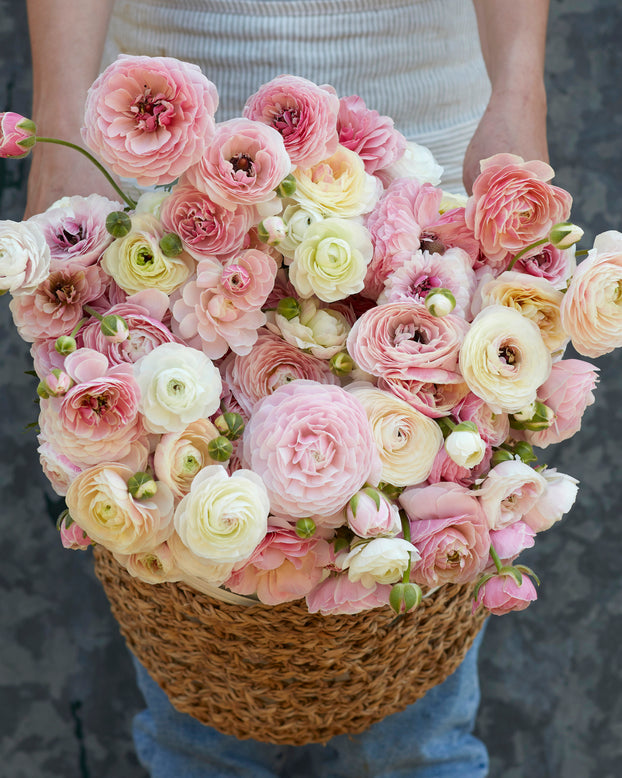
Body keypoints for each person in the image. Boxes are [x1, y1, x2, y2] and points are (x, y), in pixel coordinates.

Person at [23, 1, 550, 775]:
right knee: (195, 712)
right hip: (169, 176)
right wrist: (60, 119)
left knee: (423, 731)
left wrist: (521, 89)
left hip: (429, 151)